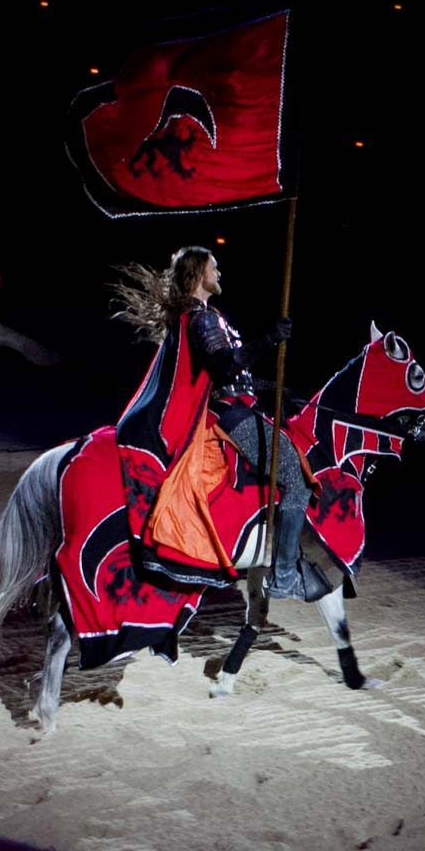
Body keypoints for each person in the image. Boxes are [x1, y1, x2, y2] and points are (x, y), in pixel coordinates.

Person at [111, 247, 312, 597]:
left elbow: (233, 375)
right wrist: (269, 339)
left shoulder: (207, 316)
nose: (219, 273)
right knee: (296, 476)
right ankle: (284, 579)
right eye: (214, 267)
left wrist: (278, 388)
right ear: (199, 273)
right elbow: (224, 367)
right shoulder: (200, 318)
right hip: (229, 416)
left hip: (238, 406)